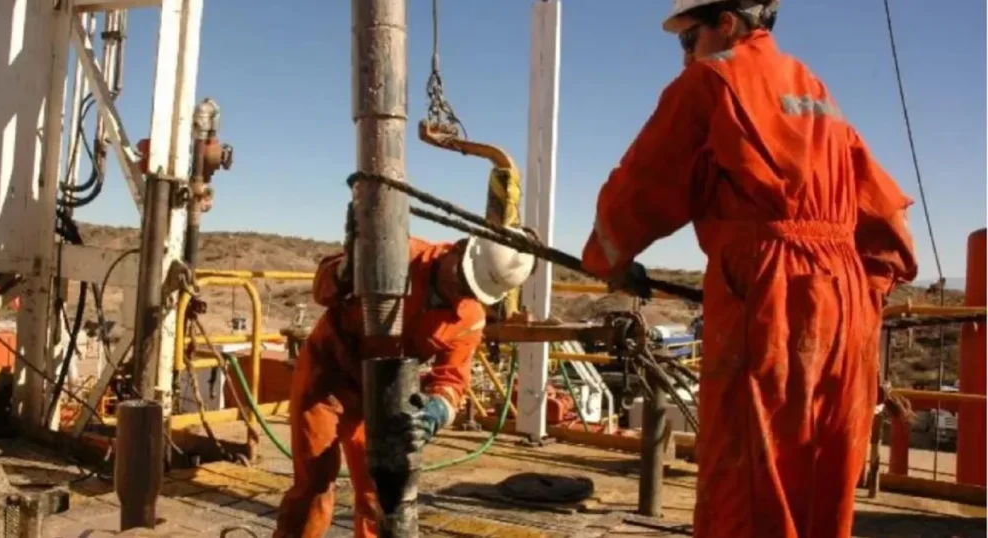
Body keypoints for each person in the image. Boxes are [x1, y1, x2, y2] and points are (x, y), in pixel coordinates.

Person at [580, 2, 918, 537]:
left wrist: (608, 260)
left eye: (688, 39)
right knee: (822, 478)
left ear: (727, 24)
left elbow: (643, 182)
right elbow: (883, 212)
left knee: (749, 483)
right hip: (847, 302)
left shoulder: (712, 80)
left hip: (770, 292)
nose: (685, 57)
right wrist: (862, 290)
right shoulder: (814, 89)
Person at [273, 230, 536, 538]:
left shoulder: (469, 318)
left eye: (470, 290)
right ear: (458, 248)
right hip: (327, 376)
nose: (459, 290)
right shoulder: (397, 251)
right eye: (462, 278)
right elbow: (322, 291)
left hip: (383, 395)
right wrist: (347, 270)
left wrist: (436, 411)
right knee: (316, 483)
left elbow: (452, 379)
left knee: (381, 493)